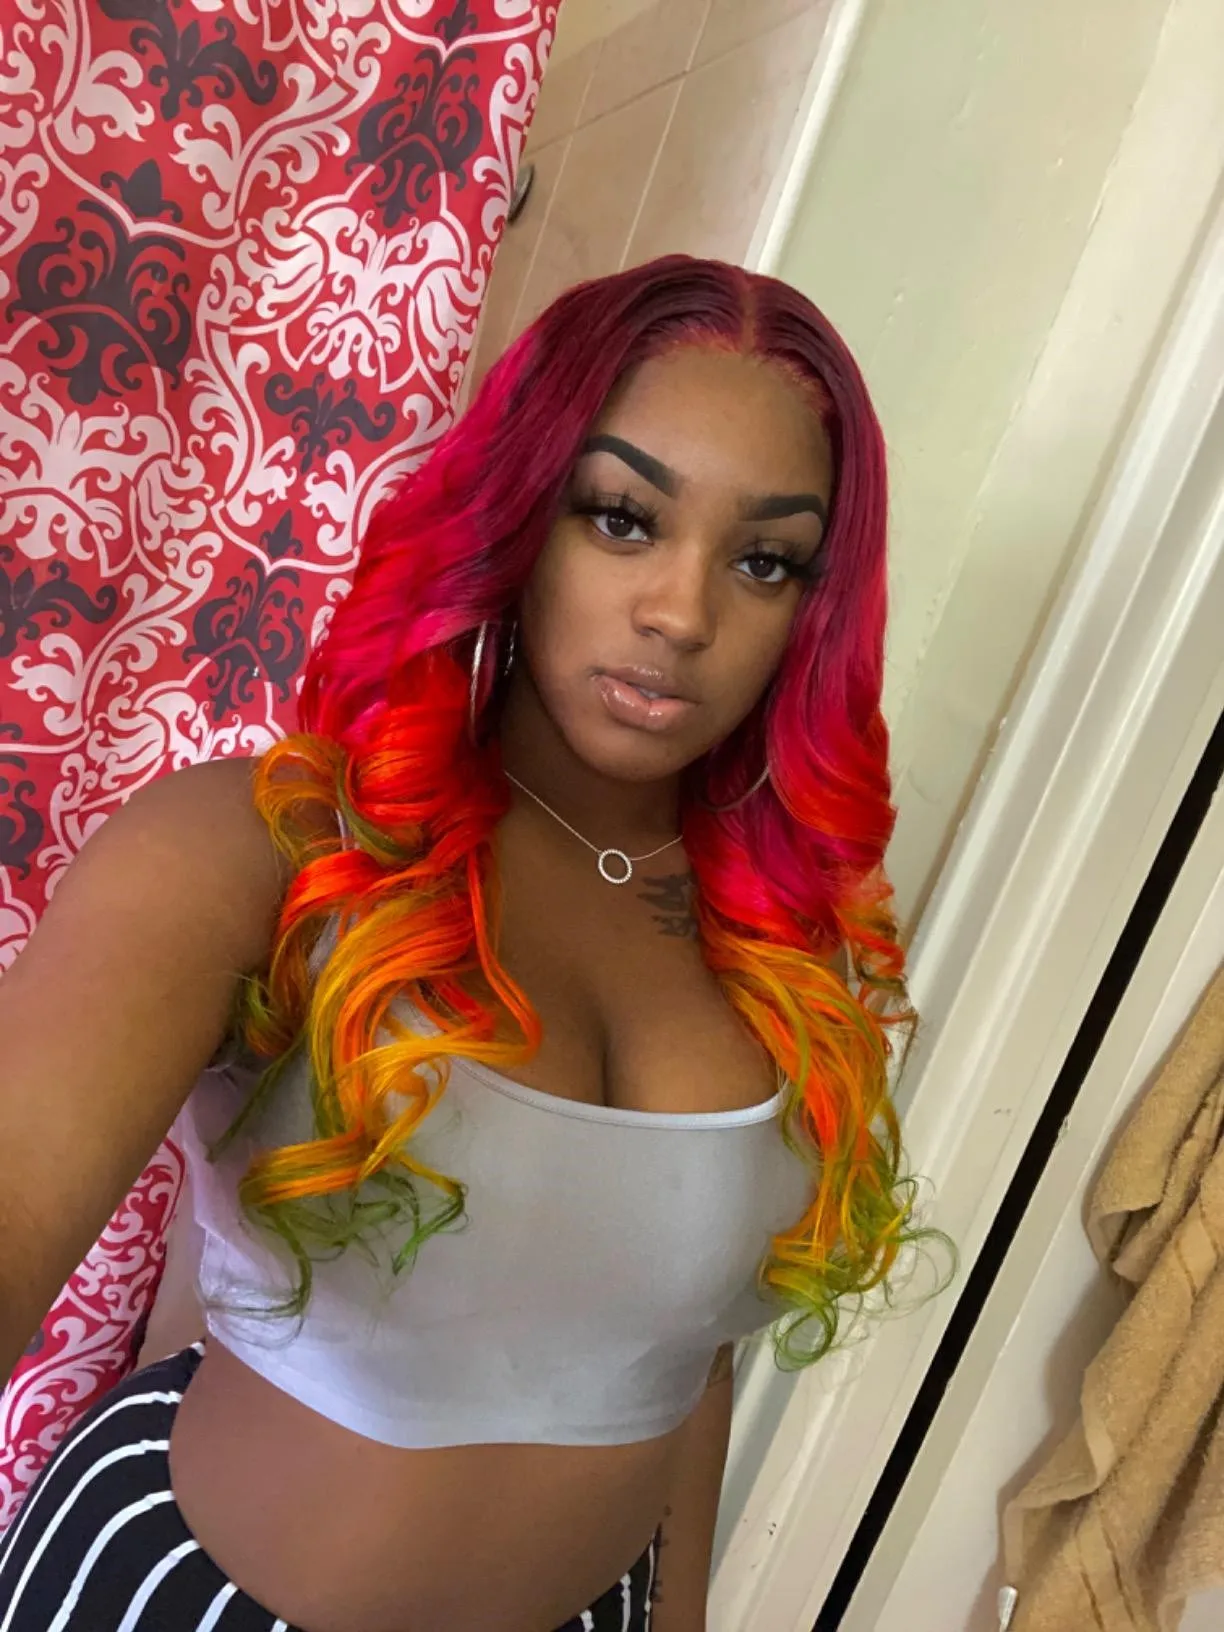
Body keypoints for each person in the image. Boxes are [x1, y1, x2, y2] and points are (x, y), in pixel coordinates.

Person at [0, 255, 917, 1632]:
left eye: (763, 559)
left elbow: (687, 1351)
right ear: (521, 514)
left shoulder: (790, 956)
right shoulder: (271, 852)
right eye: (622, 518)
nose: (681, 613)